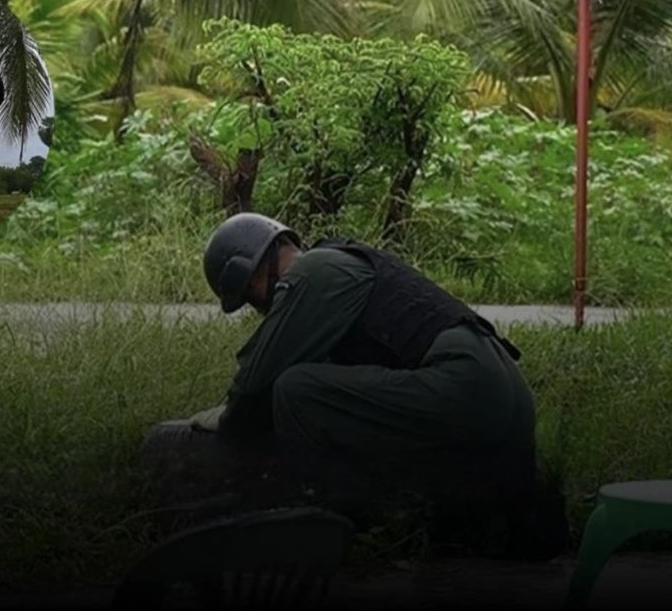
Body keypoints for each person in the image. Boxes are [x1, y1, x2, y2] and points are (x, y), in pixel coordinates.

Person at [187, 212, 566, 560]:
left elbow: (257, 384)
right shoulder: (345, 260)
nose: (258, 307)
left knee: (296, 390)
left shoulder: (315, 273)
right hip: (503, 398)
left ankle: (330, 527)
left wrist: (226, 418)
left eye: (250, 298)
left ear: (253, 276)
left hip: (465, 389)